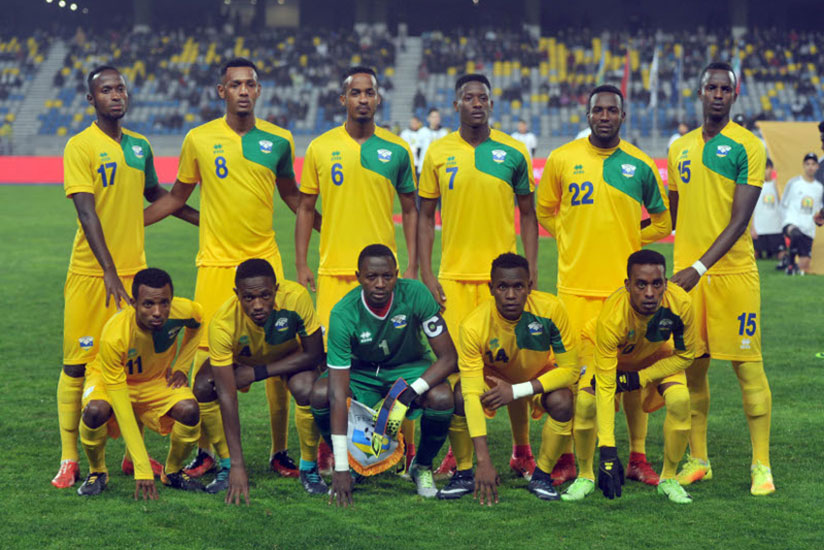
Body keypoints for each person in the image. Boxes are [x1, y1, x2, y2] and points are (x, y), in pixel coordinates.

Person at [143, 58, 317, 488]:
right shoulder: (199, 138)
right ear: (221, 91)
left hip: (265, 267)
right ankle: (210, 453)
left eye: (249, 84)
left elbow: (293, 197)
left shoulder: (279, 140)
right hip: (215, 267)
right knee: (206, 362)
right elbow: (176, 197)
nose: (243, 90)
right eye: (234, 84)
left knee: (279, 358)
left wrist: (330, 227)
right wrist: (130, 225)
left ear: (258, 91)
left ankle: (280, 450)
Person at [54, 65, 197, 489]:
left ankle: (133, 455)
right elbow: (86, 212)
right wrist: (109, 271)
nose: (116, 95)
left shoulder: (140, 146)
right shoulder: (80, 146)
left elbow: (158, 196)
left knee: (135, 367)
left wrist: (205, 220)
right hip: (91, 274)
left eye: (120, 89)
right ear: (91, 99)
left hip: (135, 276)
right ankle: (69, 458)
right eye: (106, 90)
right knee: (77, 365)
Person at [537, 84, 671, 489]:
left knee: (631, 377)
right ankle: (568, 460)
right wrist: (569, 234)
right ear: (588, 114)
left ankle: (637, 457)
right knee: (574, 379)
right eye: (599, 110)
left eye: (613, 110)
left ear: (623, 116)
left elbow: (663, 222)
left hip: (623, 294)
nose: (605, 116)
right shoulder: (562, 158)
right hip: (574, 290)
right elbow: (544, 210)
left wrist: (629, 236)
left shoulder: (640, 163)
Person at [418, 73, 540, 480]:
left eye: (482, 97)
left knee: (514, 367)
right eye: (468, 97)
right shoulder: (438, 152)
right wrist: (426, 271)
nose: (476, 103)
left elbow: (528, 214)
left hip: (502, 282)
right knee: (456, 371)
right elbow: (424, 216)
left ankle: (522, 450)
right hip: (453, 278)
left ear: (491, 103)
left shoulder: (513, 152)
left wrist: (531, 268)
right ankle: (460, 456)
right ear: (456, 104)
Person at [668, 61, 774, 495]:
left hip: (732, 276)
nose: (717, 94)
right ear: (699, 93)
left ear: (734, 95)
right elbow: (676, 216)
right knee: (693, 371)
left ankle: (761, 465)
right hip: (689, 282)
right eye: (710, 87)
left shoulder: (748, 146)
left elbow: (738, 221)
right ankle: (700, 460)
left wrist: (697, 267)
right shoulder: (679, 149)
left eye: (724, 89)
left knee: (748, 369)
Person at [310, 245, 457, 505]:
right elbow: (336, 392)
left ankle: (422, 466)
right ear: (358, 277)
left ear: (396, 275)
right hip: (362, 373)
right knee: (321, 394)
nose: (380, 284)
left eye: (387, 276)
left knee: (442, 397)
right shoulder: (343, 313)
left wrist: (413, 391)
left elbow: (448, 358)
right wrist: (340, 466)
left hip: (409, 367)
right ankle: (349, 465)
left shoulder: (416, 294)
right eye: (371, 277)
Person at [437, 253, 578, 503]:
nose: (511, 295)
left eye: (518, 287)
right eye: (503, 287)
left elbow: (570, 370)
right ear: (491, 288)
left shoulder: (551, 309)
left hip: (535, 374)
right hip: (493, 378)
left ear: (529, 287)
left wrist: (516, 390)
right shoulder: (473, 326)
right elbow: (471, 393)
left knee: (563, 400)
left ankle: (542, 476)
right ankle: (464, 473)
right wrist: (484, 461)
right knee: (459, 395)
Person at [295, 66, 418, 335]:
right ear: (343, 99)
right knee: (332, 351)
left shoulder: (398, 148)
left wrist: (413, 265)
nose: (363, 99)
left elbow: (410, 210)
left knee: (384, 350)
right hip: (333, 270)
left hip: (383, 274)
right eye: (355, 93)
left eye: (369, 93)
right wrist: (301, 264)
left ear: (378, 99)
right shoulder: (320, 147)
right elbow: (305, 208)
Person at [567, 250, 694, 504]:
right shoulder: (612, 317)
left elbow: (686, 355)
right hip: (602, 349)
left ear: (666, 283)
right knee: (586, 403)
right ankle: (585, 475)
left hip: (654, 351)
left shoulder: (681, 304)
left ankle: (669, 479)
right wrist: (608, 451)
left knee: (680, 399)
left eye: (657, 284)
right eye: (641, 284)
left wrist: (639, 378)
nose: (650, 293)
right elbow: (605, 385)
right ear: (628, 285)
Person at [77, 268, 204, 498]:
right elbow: (123, 407)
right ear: (133, 303)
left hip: (154, 381)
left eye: (164, 303)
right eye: (148, 304)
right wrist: (142, 466)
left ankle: (173, 472)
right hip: (109, 381)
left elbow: (198, 324)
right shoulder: (115, 334)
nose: (157, 312)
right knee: (95, 411)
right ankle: (97, 472)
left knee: (190, 410)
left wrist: (182, 366)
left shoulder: (184, 310)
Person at [205, 259, 325, 503]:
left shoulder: (296, 298)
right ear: (237, 294)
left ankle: (309, 466)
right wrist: (238, 465)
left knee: (307, 388)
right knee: (203, 387)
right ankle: (227, 465)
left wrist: (258, 372)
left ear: (276, 290)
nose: (258, 305)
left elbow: (314, 354)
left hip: (289, 356)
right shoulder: (222, 323)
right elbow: (227, 395)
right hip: (242, 359)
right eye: (249, 298)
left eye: (265, 296)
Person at [778, 153, 824, 275]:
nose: (810, 167)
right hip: (792, 222)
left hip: (808, 228)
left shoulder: (819, 188)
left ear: (817, 166)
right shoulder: (794, 183)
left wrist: (819, 219)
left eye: (813, 164)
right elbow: (783, 204)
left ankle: (787, 261)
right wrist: (783, 222)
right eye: (807, 164)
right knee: (796, 234)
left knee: (804, 265)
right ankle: (790, 265)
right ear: (803, 166)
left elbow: (818, 210)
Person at [751, 159, 785, 261]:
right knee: (753, 255)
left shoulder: (777, 185)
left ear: (771, 169)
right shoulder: (755, 186)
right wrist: (752, 228)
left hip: (775, 228)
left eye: (766, 168)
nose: (765, 171)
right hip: (759, 228)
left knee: (782, 255)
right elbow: (751, 209)